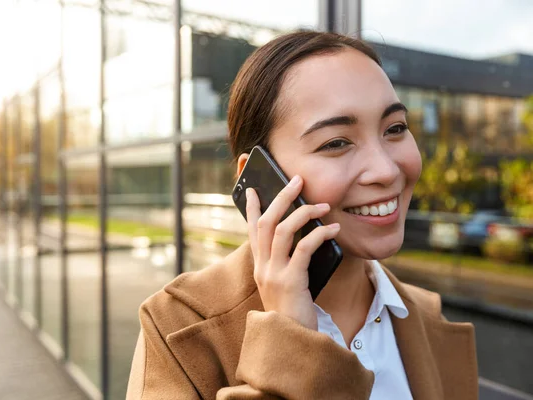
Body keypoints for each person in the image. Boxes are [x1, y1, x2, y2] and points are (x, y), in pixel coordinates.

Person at [126, 31, 478, 400]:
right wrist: (289, 345)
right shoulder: (176, 329)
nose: (387, 171)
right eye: (336, 142)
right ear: (259, 180)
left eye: (395, 128)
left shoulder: (427, 318)